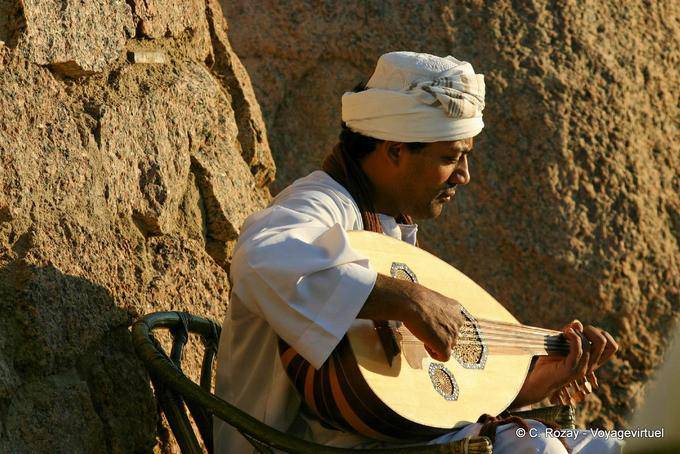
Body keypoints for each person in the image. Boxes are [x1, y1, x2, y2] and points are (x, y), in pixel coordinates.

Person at [214, 51, 623, 453]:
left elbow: (414, 399)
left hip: (389, 437)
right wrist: (409, 299)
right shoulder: (320, 204)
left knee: (606, 445)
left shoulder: (388, 229)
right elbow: (258, 256)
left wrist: (529, 386)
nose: (464, 175)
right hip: (290, 445)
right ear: (394, 150)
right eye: (450, 158)